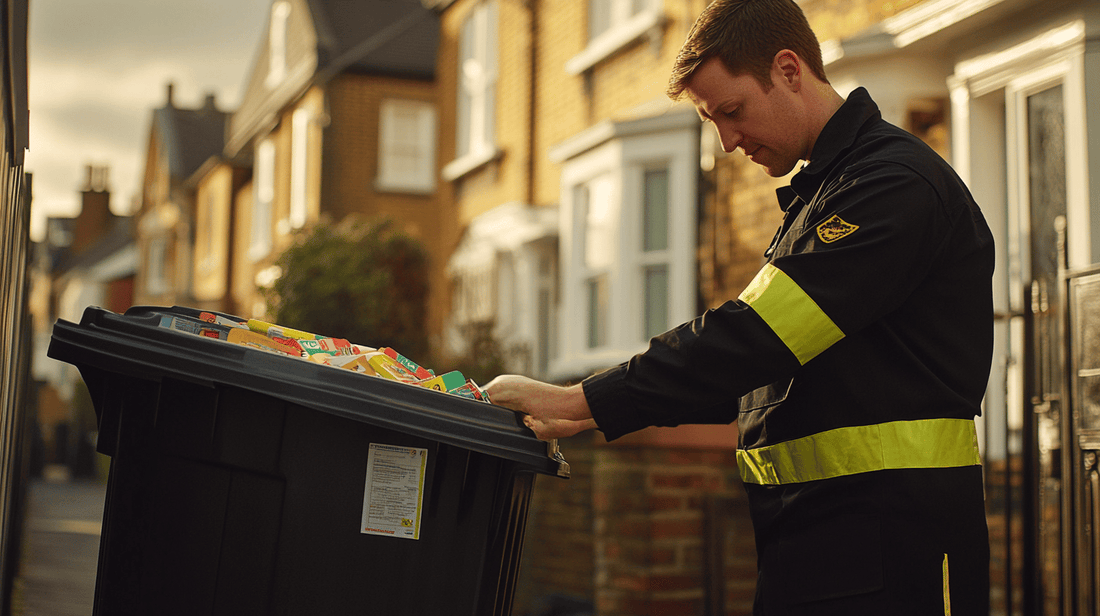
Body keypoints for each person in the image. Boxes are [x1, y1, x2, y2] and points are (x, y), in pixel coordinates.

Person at [486, 0, 993, 614]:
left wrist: (582, 401)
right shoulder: (826, 193)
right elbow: (757, 373)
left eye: (732, 112)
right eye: (712, 122)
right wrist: (596, 407)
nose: (726, 142)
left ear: (788, 69)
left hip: (893, 550)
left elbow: (758, 337)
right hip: (824, 545)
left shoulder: (889, 184)